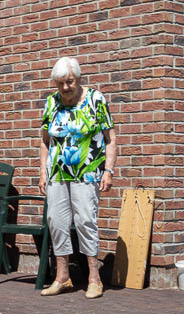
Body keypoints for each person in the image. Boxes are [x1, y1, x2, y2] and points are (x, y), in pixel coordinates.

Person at [38, 56, 114, 299]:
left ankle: (94, 278)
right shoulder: (51, 102)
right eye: (60, 84)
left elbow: (110, 138)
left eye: (69, 82)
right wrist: (42, 171)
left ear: (78, 79)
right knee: (57, 223)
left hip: (87, 171)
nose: (65, 88)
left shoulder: (95, 99)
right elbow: (44, 141)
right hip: (57, 174)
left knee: (85, 222)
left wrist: (109, 170)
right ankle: (62, 277)